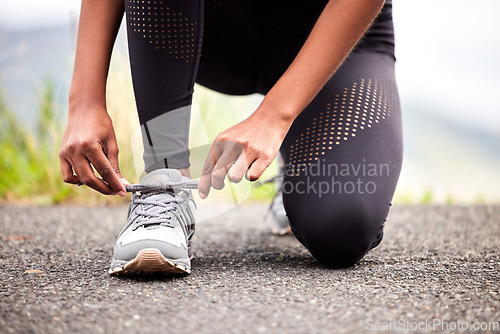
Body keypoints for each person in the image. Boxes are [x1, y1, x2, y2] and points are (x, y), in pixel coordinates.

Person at [59, 0, 403, 275]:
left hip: (337, 38)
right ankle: (163, 183)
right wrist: (84, 100)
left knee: (341, 226)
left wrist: (275, 116)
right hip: (215, 23)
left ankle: (294, 167)